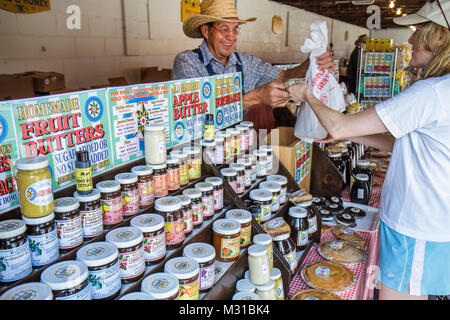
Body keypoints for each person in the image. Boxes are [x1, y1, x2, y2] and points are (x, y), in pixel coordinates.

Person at [288, 0, 450, 300]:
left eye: (418, 31)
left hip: (416, 227)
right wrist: (356, 136)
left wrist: (306, 93)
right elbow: (402, 142)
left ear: (440, 37)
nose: (410, 40)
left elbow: (337, 126)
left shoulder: (430, 93)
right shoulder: (441, 90)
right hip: (426, 224)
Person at [173, 0, 334, 129]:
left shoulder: (245, 62)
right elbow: (196, 117)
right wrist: (256, 97)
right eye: (224, 29)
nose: (231, 37)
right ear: (205, 31)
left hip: (234, 146)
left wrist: (311, 63)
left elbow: (283, 75)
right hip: (197, 154)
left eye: (235, 29)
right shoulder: (187, 62)